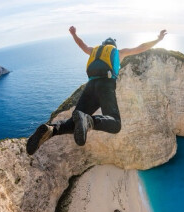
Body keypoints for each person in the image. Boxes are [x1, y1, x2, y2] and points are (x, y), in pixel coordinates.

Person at [26, 26, 167, 155]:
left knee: (72, 124)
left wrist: (74, 34)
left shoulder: (93, 51)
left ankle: (50, 130)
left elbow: (82, 45)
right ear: (113, 46)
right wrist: (158, 39)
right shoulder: (118, 52)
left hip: (90, 87)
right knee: (115, 123)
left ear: (103, 45)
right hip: (106, 86)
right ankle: (88, 121)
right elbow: (141, 47)